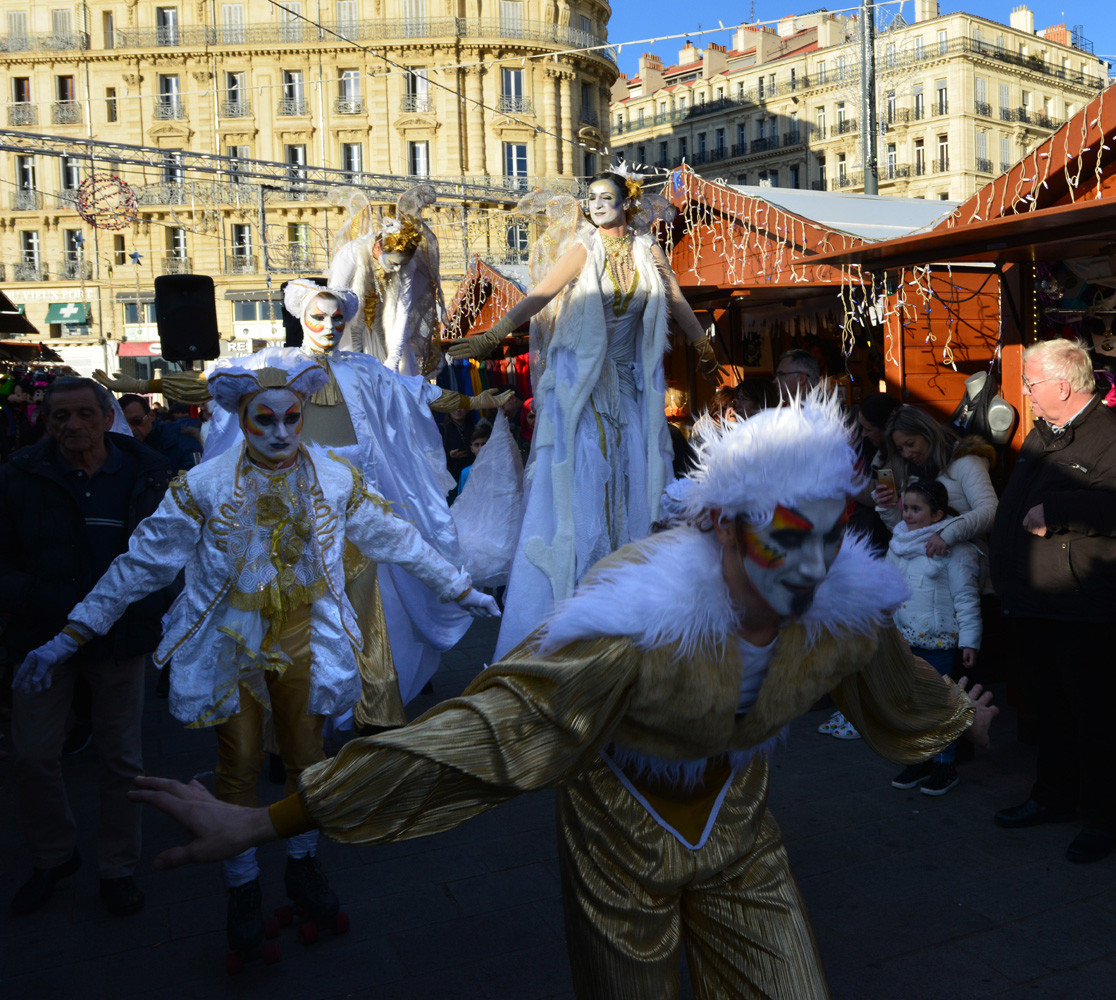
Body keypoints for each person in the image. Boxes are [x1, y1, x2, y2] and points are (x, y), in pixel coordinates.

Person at [130, 393, 996, 999]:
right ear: (723, 524)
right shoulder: (633, 624)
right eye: (783, 540)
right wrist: (264, 821)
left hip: (739, 827)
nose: (808, 570)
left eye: (829, 538)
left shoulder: (845, 611)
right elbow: (484, 731)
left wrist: (960, 721)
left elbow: (896, 682)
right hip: (620, 827)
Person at [15, 350, 499, 953]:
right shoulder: (203, 486)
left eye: (291, 420)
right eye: (262, 421)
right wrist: (71, 635)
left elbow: (396, 537)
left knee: (305, 752)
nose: (278, 433)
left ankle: (302, 861)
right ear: (240, 421)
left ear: (302, 417)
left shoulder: (335, 478)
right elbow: (139, 565)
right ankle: (242, 881)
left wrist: (459, 588)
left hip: (304, 634)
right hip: (229, 639)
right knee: (239, 758)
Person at [96, 282, 509, 729]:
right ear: (300, 319)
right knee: (286, 619)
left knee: (365, 613)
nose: (329, 327)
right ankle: (288, 733)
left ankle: (375, 713)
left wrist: (477, 399)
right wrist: (145, 382)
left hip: (356, 510)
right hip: (288, 512)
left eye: (337, 318)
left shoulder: (364, 370)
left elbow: (417, 393)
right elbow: (212, 383)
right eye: (318, 317)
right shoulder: (273, 363)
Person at [447, 170, 720, 658]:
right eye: (590, 198)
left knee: (636, 479)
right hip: (584, 388)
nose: (595, 205)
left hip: (632, 388)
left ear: (626, 203)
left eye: (606, 198)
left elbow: (674, 297)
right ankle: (575, 605)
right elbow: (543, 293)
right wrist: (494, 335)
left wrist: (701, 344)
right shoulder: (584, 248)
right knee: (584, 482)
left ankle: (633, 605)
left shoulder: (646, 249)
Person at [1, 377, 171, 916]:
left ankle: (117, 867)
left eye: (83, 415)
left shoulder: (145, 473)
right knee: (33, 755)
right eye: (59, 417)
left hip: (119, 640)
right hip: (42, 636)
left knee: (121, 759)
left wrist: (146, 607)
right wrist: (31, 599)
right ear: (45, 422)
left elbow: (168, 553)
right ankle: (54, 855)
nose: (72, 426)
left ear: (105, 417)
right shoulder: (19, 476)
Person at [989, 338, 1116, 863]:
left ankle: (1102, 820)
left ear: (1062, 386)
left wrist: (1060, 507)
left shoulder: (1108, 437)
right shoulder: (1044, 435)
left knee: (1096, 718)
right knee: (1049, 711)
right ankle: (1053, 797)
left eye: (1032, 383)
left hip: (1082, 606)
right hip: (1034, 602)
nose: (1026, 393)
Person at [886, 480, 983, 796]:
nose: (909, 515)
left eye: (917, 509)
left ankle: (945, 764)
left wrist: (970, 641)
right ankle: (920, 759)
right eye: (906, 508)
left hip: (939, 642)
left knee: (939, 705)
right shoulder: (898, 543)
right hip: (904, 640)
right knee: (910, 704)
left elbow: (966, 597)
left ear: (937, 513)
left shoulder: (954, 549)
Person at [872, 404, 998, 560]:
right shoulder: (911, 473)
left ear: (927, 433)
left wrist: (948, 534)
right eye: (900, 449)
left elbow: (991, 510)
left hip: (963, 563)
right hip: (921, 574)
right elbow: (909, 531)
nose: (906, 454)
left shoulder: (967, 462)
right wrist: (888, 507)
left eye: (910, 444)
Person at [119, 393, 201, 471]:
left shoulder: (182, 443)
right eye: (122, 424)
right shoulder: (116, 447)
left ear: (151, 415)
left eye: (136, 421)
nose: (130, 429)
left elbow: (196, 479)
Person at [456, 420, 491, 495]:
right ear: (472, 449)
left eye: (483, 444)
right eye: (476, 445)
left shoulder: (497, 468)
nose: (480, 448)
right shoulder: (466, 472)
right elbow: (462, 499)